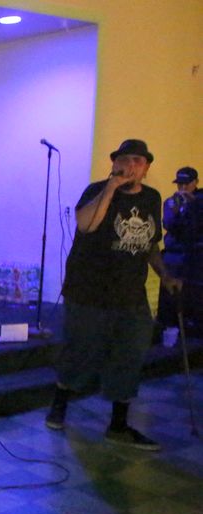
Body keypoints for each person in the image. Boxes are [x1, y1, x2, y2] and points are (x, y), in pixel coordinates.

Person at [45, 139, 182, 451]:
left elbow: (150, 243)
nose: (131, 165)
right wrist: (111, 187)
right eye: (125, 159)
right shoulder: (96, 191)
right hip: (89, 292)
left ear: (146, 168)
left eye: (138, 161)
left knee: (130, 356)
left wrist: (165, 275)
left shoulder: (152, 197)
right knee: (80, 351)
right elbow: (86, 224)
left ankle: (118, 425)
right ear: (114, 162)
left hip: (130, 294)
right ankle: (59, 404)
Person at [158, 166, 198, 327]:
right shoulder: (171, 201)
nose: (182, 188)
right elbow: (169, 224)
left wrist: (194, 206)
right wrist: (176, 209)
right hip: (174, 254)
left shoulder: (199, 202)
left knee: (191, 294)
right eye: (179, 184)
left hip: (194, 256)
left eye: (186, 184)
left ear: (196, 182)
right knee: (170, 294)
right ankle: (168, 323)